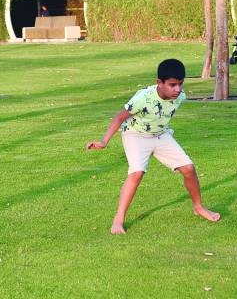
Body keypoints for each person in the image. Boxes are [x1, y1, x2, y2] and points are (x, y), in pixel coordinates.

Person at [86, 58, 220, 234]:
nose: (178, 89)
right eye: (172, 85)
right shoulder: (143, 98)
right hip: (135, 135)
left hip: (160, 134)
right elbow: (120, 117)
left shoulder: (180, 96)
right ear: (159, 82)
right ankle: (118, 220)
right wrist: (103, 141)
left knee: (188, 168)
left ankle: (199, 207)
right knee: (137, 172)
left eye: (180, 84)